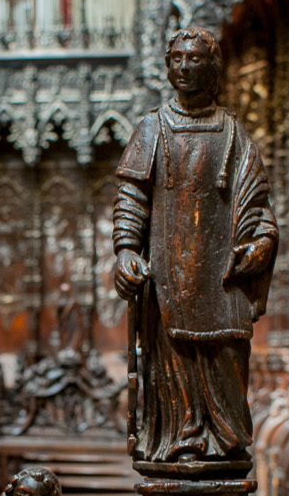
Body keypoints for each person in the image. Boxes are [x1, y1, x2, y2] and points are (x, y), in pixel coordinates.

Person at [111, 27, 278, 470]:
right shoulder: (153, 128)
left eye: (196, 59)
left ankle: (225, 441)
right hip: (169, 280)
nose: (186, 67)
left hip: (222, 281)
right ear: (168, 67)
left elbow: (257, 204)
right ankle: (180, 440)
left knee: (224, 364)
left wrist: (260, 243)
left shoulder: (234, 134)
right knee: (173, 368)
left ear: (214, 67)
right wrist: (127, 249)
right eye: (178, 59)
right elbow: (132, 198)